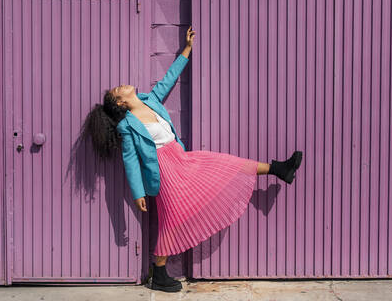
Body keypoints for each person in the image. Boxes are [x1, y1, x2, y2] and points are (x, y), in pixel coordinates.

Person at [82, 26, 303, 292]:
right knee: (171, 220)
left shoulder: (151, 100)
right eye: (119, 90)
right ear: (120, 103)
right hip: (164, 171)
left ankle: (278, 168)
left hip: (181, 158)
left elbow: (169, 78)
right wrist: (138, 191)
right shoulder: (126, 126)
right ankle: (159, 274)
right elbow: (130, 159)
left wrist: (186, 50)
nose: (123, 85)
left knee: (225, 163)